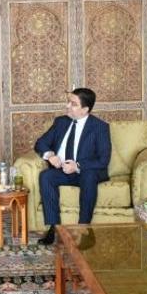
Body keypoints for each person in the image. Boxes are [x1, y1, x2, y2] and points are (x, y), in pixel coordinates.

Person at [34, 88, 111, 245]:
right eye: (68, 102)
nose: (68, 106)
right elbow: (41, 143)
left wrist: (77, 166)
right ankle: (54, 228)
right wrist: (50, 155)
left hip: (85, 171)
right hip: (62, 170)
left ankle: (83, 229)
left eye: (73, 104)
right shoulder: (61, 122)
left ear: (85, 109)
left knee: (89, 176)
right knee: (46, 176)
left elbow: (103, 160)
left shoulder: (99, 127)